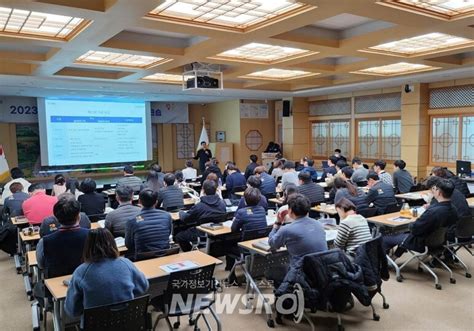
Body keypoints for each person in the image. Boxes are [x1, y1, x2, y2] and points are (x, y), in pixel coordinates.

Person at [65, 228, 149, 322]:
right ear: (113, 243)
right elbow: (144, 287)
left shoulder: (81, 272)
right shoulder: (126, 263)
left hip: (95, 325)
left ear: (87, 246)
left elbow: (72, 311)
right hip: (126, 322)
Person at [383, 179, 458, 258]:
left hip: (422, 243)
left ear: (438, 192)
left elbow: (415, 229)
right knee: (405, 234)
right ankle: (394, 257)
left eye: (435, 189)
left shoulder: (433, 212)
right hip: (440, 241)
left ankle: (384, 264)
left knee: (386, 238)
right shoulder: (454, 209)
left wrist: (410, 225)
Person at [268, 194, 328, 289]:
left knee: (271, 271)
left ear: (290, 211)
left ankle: (286, 298)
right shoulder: (318, 224)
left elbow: (272, 243)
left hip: (300, 272)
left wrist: (277, 224)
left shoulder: (287, 229)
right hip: (321, 270)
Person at [36, 195, 89, 277]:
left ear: (56, 218)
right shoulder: (93, 236)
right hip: (86, 278)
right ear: (79, 216)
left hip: (55, 281)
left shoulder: (44, 241)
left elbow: (41, 265)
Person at [175, 180, 227, 252]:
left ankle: (190, 252)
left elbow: (185, 218)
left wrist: (181, 212)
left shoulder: (200, 206)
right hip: (217, 232)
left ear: (203, 190)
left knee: (179, 236)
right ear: (216, 190)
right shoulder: (222, 203)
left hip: (200, 233)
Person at [125, 189, 172, 258]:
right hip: (164, 255)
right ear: (156, 202)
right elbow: (168, 234)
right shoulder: (167, 215)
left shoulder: (132, 220)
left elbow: (128, 244)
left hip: (143, 258)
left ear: (139, 201)